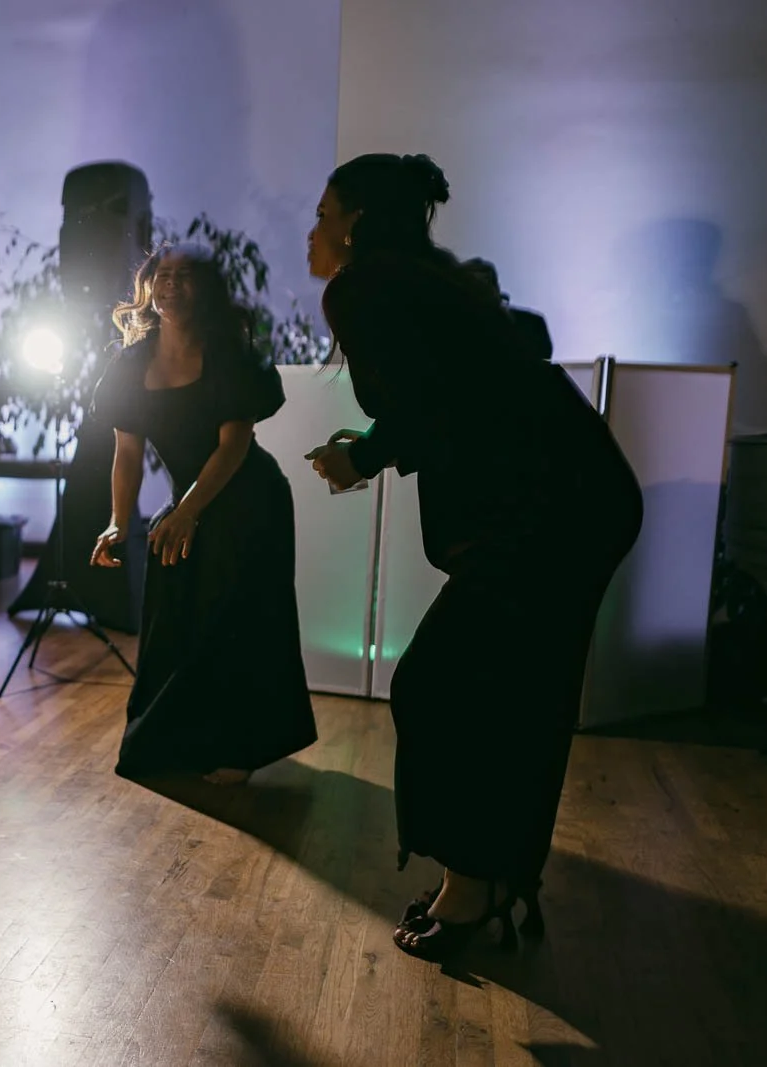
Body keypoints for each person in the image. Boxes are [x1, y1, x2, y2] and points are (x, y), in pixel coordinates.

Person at [305, 153, 643, 960]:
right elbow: (482, 375)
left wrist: (364, 454)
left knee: (442, 686)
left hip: (549, 512)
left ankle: (473, 889)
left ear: (354, 221)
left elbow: (428, 404)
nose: (312, 232)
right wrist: (377, 442)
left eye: (322, 214)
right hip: (579, 493)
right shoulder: (429, 278)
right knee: (510, 695)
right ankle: (489, 884)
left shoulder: (362, 287)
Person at [91, 244, 316, 784]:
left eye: (186, 276)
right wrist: (120, 521)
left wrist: (187, 511)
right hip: (189, 503)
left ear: (207, 289)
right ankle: (173, 741)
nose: (171, 284)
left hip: (248, 500)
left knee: (235, 622)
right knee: (173, 618)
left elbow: (234, 446)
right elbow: (126, 454)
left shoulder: (229, 356)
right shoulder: (131, 363)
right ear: (149, 288)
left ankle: (237, 750)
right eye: (162, 275)